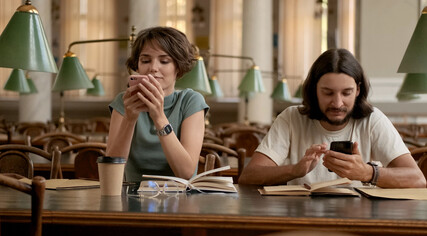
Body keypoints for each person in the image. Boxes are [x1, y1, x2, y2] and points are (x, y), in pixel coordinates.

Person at [239, 48, 426, 188]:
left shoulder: (373, 120)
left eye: (347, 93)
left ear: (358, 90)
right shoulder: (291, 118)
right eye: (328, 93)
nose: (337, 103)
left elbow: (417, 179)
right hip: (301, 221)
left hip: (358, 222)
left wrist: (367, 172)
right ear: (314, 91)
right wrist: (295, 170)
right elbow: (249, 176)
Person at [106, 26, 209, 182]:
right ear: (137, 65)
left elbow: (186, 172)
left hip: (180, 198)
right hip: (133, 197)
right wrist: (130, 119)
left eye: (164, 61)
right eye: (145, 60)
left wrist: (159, 117)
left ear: (178, 67)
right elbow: (112, 170)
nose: (153, 68)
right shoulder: (124, 101)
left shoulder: (191, 101)